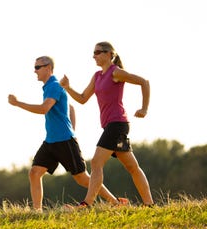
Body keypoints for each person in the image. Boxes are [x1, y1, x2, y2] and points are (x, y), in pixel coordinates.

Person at [8, 56, 128, 211]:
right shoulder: (49, 87)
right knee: (34, 172)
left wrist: (18, 103)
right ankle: (37, 212)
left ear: (48, 67)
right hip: (51, 141)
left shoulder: (54, 86)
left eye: (38, 67)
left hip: (65, 140)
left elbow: (44, 109)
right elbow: (70, 107)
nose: (34, 70)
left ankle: (114, 202)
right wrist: (73, 129)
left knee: (82, 178)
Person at [60, 41, 154, 207]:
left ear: (110, 54)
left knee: (96, 162)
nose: (94, 55)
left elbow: (144, 82)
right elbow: (82, 99)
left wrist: (144, 109)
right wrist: (67, 87)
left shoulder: (115, 73)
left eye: (98, 52)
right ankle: (149, 204)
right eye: (93, 52)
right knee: (132, 166)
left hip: (117, 123)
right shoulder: (97, 76)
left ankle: (87, 204)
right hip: (112, 125)